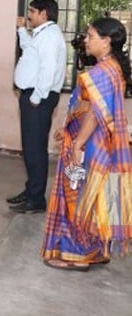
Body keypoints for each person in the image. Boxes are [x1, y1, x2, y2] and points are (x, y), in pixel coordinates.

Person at [41, 17, 132, 270]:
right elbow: (87, 107)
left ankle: (78, 256)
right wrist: (67, 128)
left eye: (91, 36)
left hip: (91, 145)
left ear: (107, 41)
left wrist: (78, 144)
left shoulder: (103, 71)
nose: (86, 40)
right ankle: (96, 250)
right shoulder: (112, 67)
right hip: (99, 142)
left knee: (79, 195)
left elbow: (94, 113)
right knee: (96, 197)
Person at [10, 0, 67, 214]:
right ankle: (32, 190)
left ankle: (36, 200)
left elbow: (48, 69)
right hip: (34, 96)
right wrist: (21, 30)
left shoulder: (50, 36)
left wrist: (36, 97)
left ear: (44, 14)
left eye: (32, 11)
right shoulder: (42, 34)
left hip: (38, 98)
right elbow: (29, 52)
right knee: (31, 148)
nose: (29, 15)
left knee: (34, 150)